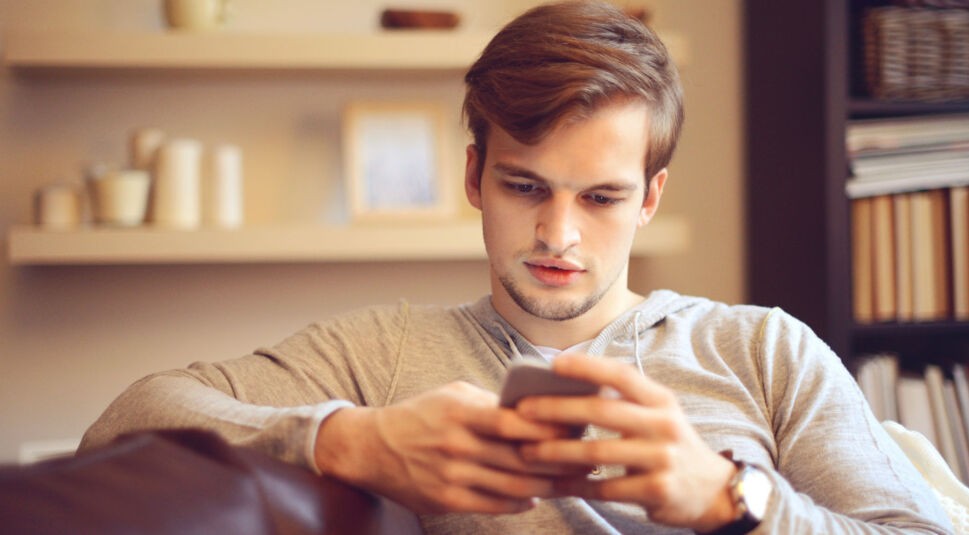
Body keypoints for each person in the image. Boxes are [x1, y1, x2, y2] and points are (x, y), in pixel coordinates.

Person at [80, 1, 952, 533]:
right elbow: (124, 420)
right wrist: (348, 437)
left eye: (600, 198)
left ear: (649, 197)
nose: (557, 234)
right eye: (524, 185)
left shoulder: (760, 349)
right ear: (473, 177)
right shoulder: (386, 351)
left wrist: (727, 498)